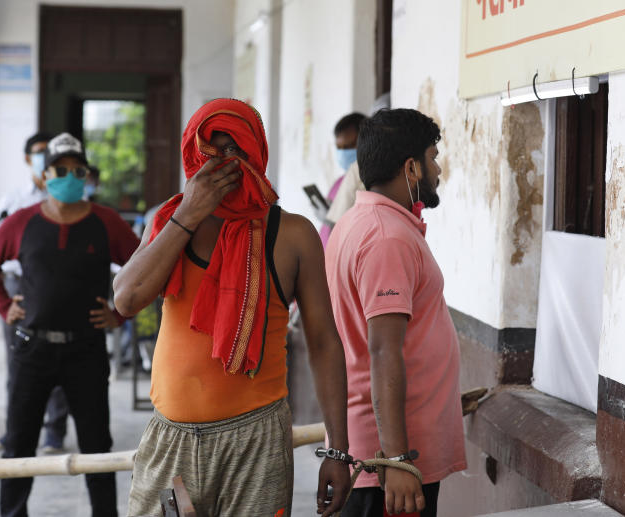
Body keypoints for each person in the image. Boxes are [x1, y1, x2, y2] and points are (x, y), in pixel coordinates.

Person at [114, 98, 352, 517]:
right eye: (211, 150)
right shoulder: (169, 222)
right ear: (193, 153)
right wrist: (189, 212)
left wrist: (338, 449)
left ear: (255, 154)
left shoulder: (292, 234)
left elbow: (323, 342)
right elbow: (127, 299)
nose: (221, 163)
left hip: (256, 439)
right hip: (171, 437)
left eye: (234, 150)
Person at [0, 132, 140, 517]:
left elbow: (145, 268)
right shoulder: (21, 222)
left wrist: (120, 314)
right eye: (60, 169)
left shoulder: (106, 223)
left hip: (86, 350)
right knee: (19, 445)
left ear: (86, 175)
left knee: (97, 445)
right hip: (32, 350)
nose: (69, 176)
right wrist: (3, 306)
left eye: (76, 170)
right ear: (45, 174)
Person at [325, 109, 466, 517]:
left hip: (385, 455)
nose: (437, 168)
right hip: (390, 465)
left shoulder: (358, 222)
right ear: (411, 166)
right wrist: (398, 459)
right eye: (433, 157)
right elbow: (383, 350)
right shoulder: (386, 237)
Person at [0, 132, 71, 455]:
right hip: (18, 286)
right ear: (27, 159)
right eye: (38, 152)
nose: (44, 157)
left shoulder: (69, 198)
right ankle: (16, 429)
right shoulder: (14, 198)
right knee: (18, 359)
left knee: (59, 356)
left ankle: (54, 431)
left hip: (56, 284)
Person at [319, 112, 366, 248]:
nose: (343, 153)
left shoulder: (366, 179)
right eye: (339, 148)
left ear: (364, 141)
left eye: (349, 146)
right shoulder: (340, 182)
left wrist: (330, 219)